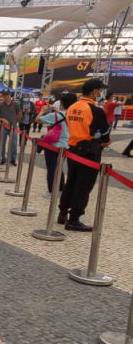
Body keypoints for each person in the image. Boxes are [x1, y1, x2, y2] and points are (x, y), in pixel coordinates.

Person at [57, 78, 111, 231]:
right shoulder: (96, 110)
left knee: (71, 182)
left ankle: (62, 214)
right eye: (100, 91)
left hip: (73, 149)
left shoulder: (72, 107)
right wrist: (105, 140)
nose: (100, 94)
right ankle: (74, 219)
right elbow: (105, 134)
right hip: (89, 152)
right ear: (94, 92)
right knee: (84, 186)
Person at [37, 91, 76, 197]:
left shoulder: (57, 115)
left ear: (62, 103)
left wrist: (42, 111)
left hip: (54, 145)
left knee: (52, 168)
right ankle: (61, 189)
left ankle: (52, 190)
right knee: (59, 167)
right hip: (68, 145)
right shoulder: (75, 115)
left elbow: (38, 120)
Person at [0, 90, 21, 165]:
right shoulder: (0, 105)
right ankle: (2, 158)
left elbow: (20, 114)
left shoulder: (16, 104)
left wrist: (16, 121)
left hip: (13, 127)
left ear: (10, 95)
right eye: (4, 95)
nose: (5, 96)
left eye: (7, 94)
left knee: (13, 144)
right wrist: (2, 119)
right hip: (3, 127)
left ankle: (13, 159)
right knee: (2, 143)